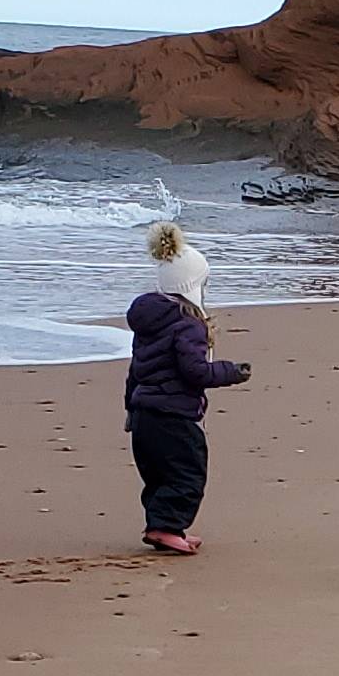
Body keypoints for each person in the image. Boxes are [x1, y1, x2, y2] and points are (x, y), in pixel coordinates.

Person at [121, 221, 246, 558]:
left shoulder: (150, 326)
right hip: (173, 415)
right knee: (188, 472)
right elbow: (194, 371)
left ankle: (162, 527)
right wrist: (230, 372)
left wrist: (132, 410)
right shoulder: (188, 324)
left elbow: (136, 373)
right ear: (193, 286)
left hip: (145, 415)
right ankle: (166, 526)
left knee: (158, 475)